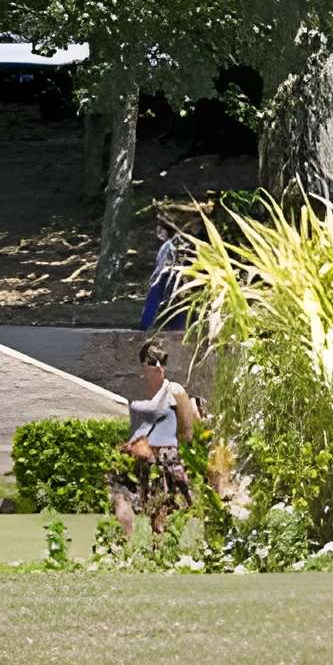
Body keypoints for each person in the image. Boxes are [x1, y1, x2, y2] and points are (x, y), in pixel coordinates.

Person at [111, 338, 200, 536]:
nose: (159, 366)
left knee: (164, 514)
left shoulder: (174, 391)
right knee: (133, 507)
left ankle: (165, 551)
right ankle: (135, 550)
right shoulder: (137, 393)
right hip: (142, 459)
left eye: (163, 361)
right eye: (153, 362)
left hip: (166, 459)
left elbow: (187, 431)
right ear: (144, 365)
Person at [135, 217, 189, 332]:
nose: (158, 232)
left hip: (166, 276)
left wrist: (154, 278)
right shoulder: (181, 241)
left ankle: (144, 328)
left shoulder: (170, 244)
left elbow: (162, 264)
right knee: (177, 304)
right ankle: (177, 329)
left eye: (160, 229)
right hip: (177, 278)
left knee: (153, 300)